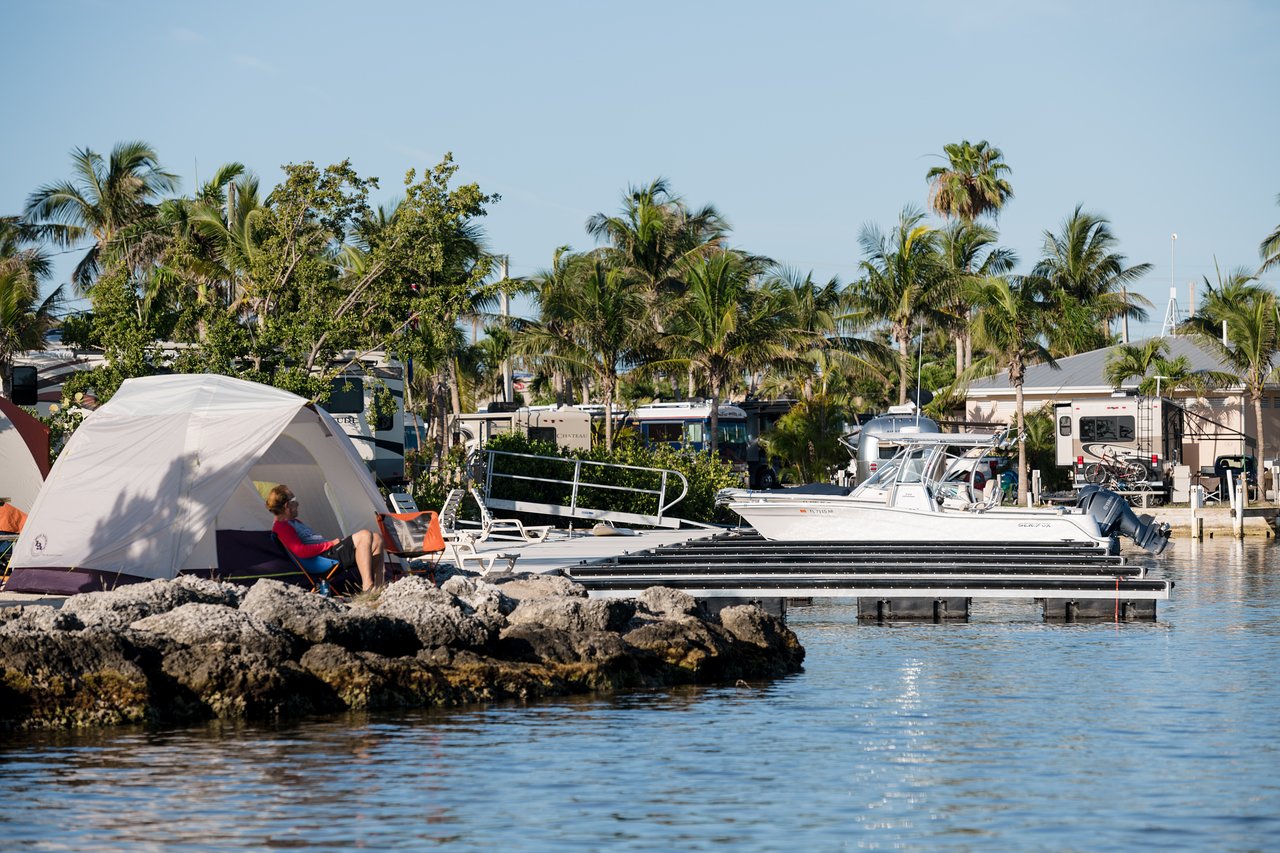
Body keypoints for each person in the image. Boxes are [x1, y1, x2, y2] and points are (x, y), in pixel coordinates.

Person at [266, 484, 385, 591]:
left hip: (328, 553)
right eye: (294, 500)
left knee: (377, 538)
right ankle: (368, 587)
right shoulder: (282, 527)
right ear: (287, 505)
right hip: (323, 559)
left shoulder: (294, 522)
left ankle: (379, 587)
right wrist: (331, 544)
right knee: (364, 535)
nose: (298, 504)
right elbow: (301, 551)